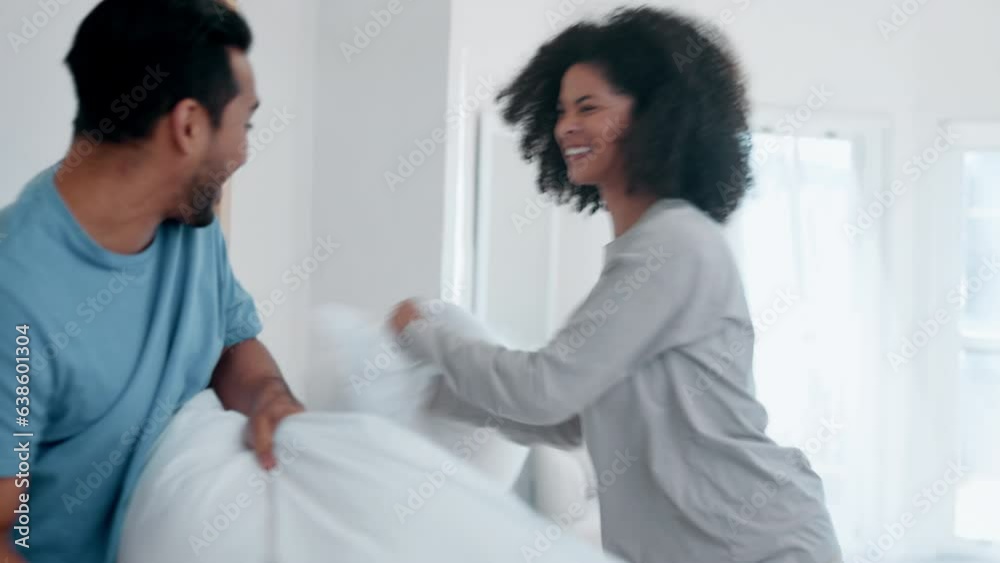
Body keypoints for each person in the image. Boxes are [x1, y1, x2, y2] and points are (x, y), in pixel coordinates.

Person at [391, 7, 843, 563]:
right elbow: (569, 420)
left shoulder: (673, 244)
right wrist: (428, 395)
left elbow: (543, 388)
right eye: (561, 110)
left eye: (588, 107)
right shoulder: (650, 245)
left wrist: (422, 333)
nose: (565, 127)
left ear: (653, 117)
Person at [0, 1, 303, 562]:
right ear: (188, 126)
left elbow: (231, 343)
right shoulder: (15, 298)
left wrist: (270, 398)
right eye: (245, 125)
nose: (243, 153)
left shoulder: (190, 228)